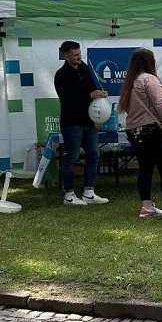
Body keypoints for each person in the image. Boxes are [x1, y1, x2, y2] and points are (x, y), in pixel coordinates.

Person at [118, 48, 162, 219]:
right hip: (153, 129)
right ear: (150, 62)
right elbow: (161, 104)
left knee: (145, 168)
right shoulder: (150, 80)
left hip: (134, 131)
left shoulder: (131, 82)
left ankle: (147, 206)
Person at [53, 40, 110, 207]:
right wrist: (90, 96)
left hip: (88, 121)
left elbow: (92, 88)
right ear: (66, 56)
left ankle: (89, 192)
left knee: (94, 155)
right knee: (72, 158)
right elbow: (67, 99)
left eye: (79, 54)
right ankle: (69, 195)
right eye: (75, 55)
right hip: (71, 123)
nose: (79, 57)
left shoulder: (84, 68)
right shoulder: (61, 75)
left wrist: (99, 93)